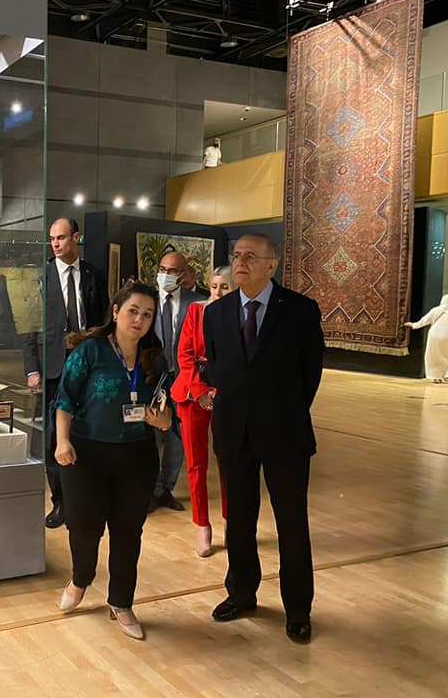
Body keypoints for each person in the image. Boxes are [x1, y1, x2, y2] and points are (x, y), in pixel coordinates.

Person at [203, 233, 324, 643]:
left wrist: (282, 412)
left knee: (291, 523)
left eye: (250, 256)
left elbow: (310, 374)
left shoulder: (300, 311)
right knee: (239, 519)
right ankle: (241, 594)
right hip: (233, 432)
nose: (240, 262)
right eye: (236, 255)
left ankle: (298, 609)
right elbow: (218, 369)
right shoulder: (216, 313)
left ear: (272, 265)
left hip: (285, 433)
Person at [54, 281, 171, 640]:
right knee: (84, 526)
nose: (139, 320)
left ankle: (121, 602)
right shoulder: (90, 351)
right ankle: (81, 578)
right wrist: (62, 441)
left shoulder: (155, 358)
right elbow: (65, 399)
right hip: (86, 454)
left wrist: (162, 420)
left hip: (136, 455)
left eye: (147, 314)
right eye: (133, 311)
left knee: (128, 532)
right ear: (116, 311)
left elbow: (167, 414)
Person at [24, 218, 108, 529]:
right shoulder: (41, 277)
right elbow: (29, 326)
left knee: (87, 430)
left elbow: (103, 323)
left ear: (76, 238)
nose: (56, 244)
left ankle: (86, 496)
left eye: (61, 238)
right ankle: (60, 501)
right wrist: (32, 368)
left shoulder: (94, 276)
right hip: (52, 367)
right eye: (52, 239)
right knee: (52, 437)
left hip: (88, 365)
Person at [171, 267, 234, 558]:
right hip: (191, 395)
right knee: (196, 464)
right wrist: (199, 391)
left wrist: (218, 393)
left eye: (225, 287)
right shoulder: (195, 312)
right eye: (214, 286)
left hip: (225, 396)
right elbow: (184, 354)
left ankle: (231, 521)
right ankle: (202, 526)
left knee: (228, 462)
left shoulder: (238, 316)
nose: (218, 292)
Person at [148, 250, 199, 512]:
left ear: (183, 274)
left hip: (183, 379)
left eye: (172, 271)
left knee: (178, 437)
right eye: (162, 270)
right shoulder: (147, 300)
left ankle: (165, 489)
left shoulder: (196, 303)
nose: (165, 275)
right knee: (151, 436)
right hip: (152, 378)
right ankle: (148, 489)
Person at [405, 294, 448, 382]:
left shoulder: (435, 310)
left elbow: (424, 320)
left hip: (434, 336)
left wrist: (414, 325)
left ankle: (435, 376)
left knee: (433, 356)